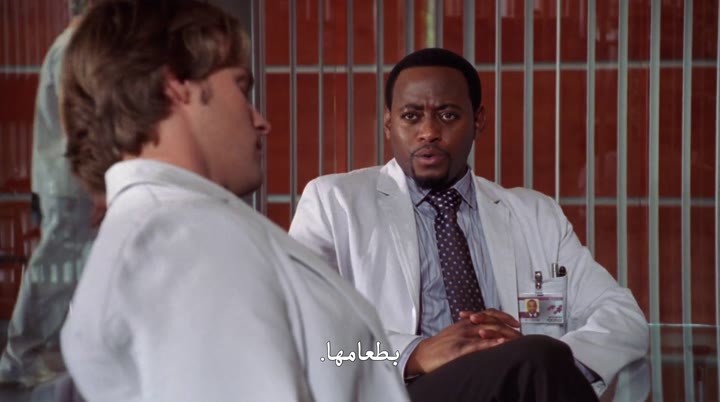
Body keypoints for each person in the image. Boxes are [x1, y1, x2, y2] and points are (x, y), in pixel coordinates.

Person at [58, 1, 409, 401]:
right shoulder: (185, 239)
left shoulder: (169, 229)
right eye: (242, 87)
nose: (261, 121)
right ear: (176, 87)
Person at [289, 48, 649, 402]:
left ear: (478, 121)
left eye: (447, 116)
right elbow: (303, 330)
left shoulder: (535, 213)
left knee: (538, 357)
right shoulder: (335, 202)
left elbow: (623, 319)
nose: (428, 132)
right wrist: (414, 353)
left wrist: (541, 361)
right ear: (388, 124)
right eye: (411, 116)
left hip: (521, 388)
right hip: (401, 392)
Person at [0, 0, 101, 388]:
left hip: (68, 181)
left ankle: (33, 355)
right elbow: (76, 122)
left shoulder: (71, 47)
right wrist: (95, 186)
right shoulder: (73, 49)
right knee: (53, 272)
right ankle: (19, 359)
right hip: (70, 184)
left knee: (64, 270)